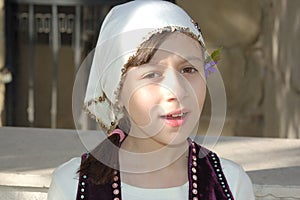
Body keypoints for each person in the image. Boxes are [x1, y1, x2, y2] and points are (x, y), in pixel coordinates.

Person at [47, 1, 255, 199]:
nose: (177, 91)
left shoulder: (230, 183)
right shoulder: (71, 186)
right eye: (152, 75)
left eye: (189, 69)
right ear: (117, 90)